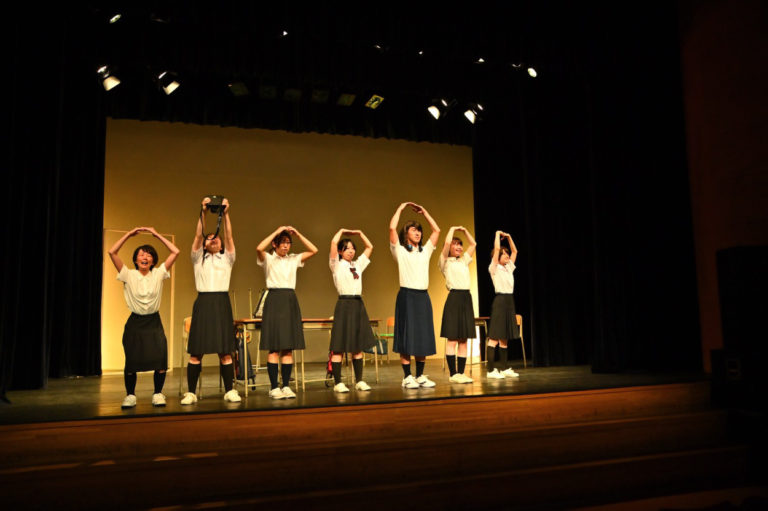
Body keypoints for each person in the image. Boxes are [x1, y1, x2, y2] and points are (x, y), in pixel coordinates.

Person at [108, 226, 179, 408]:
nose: (145, 257)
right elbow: (112, 251)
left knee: (160, 358)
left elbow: (175, 251)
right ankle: (130, 395)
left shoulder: (159, 273)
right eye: (141, 254)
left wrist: (157, 234)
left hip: (154, 321)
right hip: (135, 322)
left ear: (153, 259)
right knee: (132, 360)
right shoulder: (128, 274)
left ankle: (158, 393)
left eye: (148, 255)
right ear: (136, 259)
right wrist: (128, 235)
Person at [181, 197, 241, 405]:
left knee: (226, 351)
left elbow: (229, 236)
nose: (213, 239)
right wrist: (204, 211)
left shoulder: (227, 258)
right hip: (204, 303)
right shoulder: (198, 259)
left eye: (216, 238)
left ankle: (229, 390)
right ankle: (190, 392)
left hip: (221, 303)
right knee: (196, 351)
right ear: (204, 246)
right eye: (209, 238)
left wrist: (226, 214)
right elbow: (198, 235)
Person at [257, 226, 318, 399]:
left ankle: (285, 386)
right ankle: (273, 387)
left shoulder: (294, 259)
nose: (286, 246)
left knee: (288, 349)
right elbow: (259, 248)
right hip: (275, 299)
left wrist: (298, 234)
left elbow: (314, 250)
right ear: (275, 244)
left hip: (290, 299)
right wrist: (277, 230)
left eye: (288, 243)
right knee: (274, 348)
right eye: (282, 243)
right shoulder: (268, 258)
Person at [389, 201, 441, 389]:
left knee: (422, 335)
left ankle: (420, 375)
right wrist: (401, 208)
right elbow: (392, 227)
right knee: (407, 336)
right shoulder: (400, 251)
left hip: (422, 296)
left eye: (419, 230)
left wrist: (425, 212)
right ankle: (407, 376)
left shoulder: (425, 251)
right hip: (407, 296)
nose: (417, 233)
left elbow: (436, 231)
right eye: (413, 230)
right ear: (406, 234)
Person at [328, 229, 377, 393]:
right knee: (339, 346)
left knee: (358, 346)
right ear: (341, 252)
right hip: (344, 304)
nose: (351, 251)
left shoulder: (357, 264)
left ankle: (360, 380)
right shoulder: (336, 265)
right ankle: (338, 383)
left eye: (353, 248)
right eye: (347, 248)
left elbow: (370, 247)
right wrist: (341, 231)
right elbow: (333, 243)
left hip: (358, 304)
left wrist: (360, 234)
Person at [438, 226, 477, 384]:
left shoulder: (464, 260)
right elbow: (446, 243)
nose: (459, 247)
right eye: (456, 244)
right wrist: (453, 229)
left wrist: (465, 231)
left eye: (460, 244)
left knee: (463, 339)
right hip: (454, 298)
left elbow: (473, 244)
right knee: (452, 339)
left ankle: (461, 373)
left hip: (466, 298)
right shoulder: (445, 262)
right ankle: (453, 373)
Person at [486, 230, 521, 380]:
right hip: (500, 301)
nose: (507, 256)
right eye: (504, 254)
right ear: (498, 257)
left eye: (507, 254)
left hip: (509, 302)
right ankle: (490, 370)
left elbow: (515, 250)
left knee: (505, 337)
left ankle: (504, 367)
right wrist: (497, 235)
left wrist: (509, 237)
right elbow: (496, 251)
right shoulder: (494, 268)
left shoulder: (509, 268)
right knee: (494, 337)